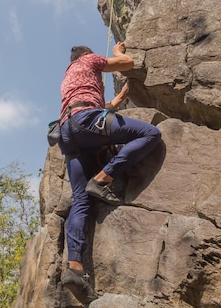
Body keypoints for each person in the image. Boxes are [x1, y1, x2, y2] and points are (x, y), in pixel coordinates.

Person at [57, 42, 162, 304]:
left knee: (80, 200)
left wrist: (117, 101)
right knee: (151, 134)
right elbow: (128, 63)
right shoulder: (88, 60)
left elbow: (94, 105)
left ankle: (75, 269)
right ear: (86, 54)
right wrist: (116, 54)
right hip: (85, 121)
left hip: (67, 132)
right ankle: (104, 178)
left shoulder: (71, 77)